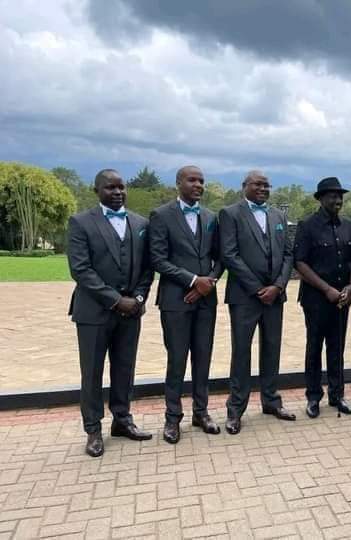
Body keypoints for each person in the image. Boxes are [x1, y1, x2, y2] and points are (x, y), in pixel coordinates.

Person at [67, 169, 154, 457]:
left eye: (121, 187)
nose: (117, 192)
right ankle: (93, 430)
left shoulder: (140, 223)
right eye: (110, 188)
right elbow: (80, 270)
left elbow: (147, 267)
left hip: (132, 312)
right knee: (91, 373)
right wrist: (117, 300)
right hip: (94, 312)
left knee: (124, 368)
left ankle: (122, 420)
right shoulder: (80, 222)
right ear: (97, 191)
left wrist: (139, 297)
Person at [149, 165, 225, 444]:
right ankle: (172, 418)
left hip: (206, 301)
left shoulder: (210, 217)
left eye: (202, 181)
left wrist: (209, 282)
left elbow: (221, 258)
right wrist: (193, 281)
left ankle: (201, 412)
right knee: (177, 360)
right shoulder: (161, 215)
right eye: (192, 180)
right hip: (175, 300)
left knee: (203, 357)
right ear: (178, 183)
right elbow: (158, 259)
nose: (198, 185)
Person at [219, 170, 295, 434]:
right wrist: (257, 288)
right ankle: (235, 410)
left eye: (267, 185)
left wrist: (277, 286)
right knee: (241, 351)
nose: (263, 188)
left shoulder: (278, 216)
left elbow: (288, 254)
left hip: (275, 296)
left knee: (272, 348)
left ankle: (271, 401)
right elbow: (229, 254)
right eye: (258, 184)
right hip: (244, 297)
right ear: (244, 187)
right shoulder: (230, 214)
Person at [294, 177, 351, 418]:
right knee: (314, 348)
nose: (337, 200)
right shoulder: (307, 225)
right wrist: (326, 289)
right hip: (316, 299)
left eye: (340, 196)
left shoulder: (347, 225)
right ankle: (313, 397)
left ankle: (337, 394)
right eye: (332, 196)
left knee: (337, 347)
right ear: (321, 199)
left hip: (342, 298)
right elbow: (300, 262)